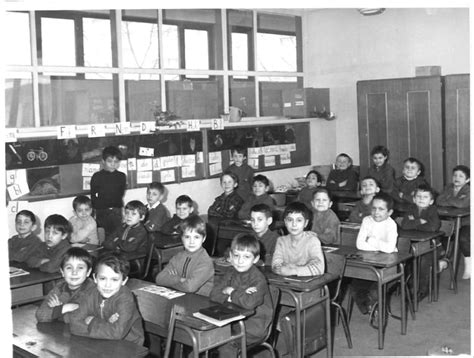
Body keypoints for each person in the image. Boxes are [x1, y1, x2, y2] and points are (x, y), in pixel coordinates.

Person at [210, 234, 273, 356]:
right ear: (230, 256)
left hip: (253, 326)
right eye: (236, 255)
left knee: (225, 345)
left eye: (246, 257)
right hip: (230, 321)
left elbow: (249, 303)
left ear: (255, 259)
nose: (240, 261)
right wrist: (234, 296)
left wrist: (231, 292)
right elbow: (213, 294)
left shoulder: (258, 279)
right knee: (201, 338)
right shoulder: (230, 272)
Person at [65, 253, 144, 345]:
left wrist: (92, 321)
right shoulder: (90, 293)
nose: (107, 285)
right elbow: (74, 323)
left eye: (114, 280)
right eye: (102, 278)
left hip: (129, 346)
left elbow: (117, 333)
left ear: (124, 281)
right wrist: (106, 324)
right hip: (100, 342)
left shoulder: (126, 299)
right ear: (95, 278)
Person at [351, 192, 398, 315]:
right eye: (374, 208)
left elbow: (389, 249)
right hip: (370, 262)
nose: (376, 212)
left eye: (381, 209)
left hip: (388, 265)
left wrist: (370, 240)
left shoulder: (391, 225)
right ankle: (369, 308)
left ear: (389, 212)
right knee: (355, 287)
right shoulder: (367, 220)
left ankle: (376, 309)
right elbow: (359, 244)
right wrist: (379, 248)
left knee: (375, 289)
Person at [400, 184, 441, 299]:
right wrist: (421, 221)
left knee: (423, 261)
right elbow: (404, 225)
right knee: (404, 258)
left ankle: (422, 290)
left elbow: (433, 227)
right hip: (413, 244)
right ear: (414, 199)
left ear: (431, 201)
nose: (421, 199)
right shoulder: (411, 208)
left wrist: (414, 223)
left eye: (425, 197)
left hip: (431, 246)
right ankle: (408, 287)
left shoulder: (432, 210)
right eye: (418, 196)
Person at [155, 216, 214, 296]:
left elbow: (190, 287)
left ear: (203, 238)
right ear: (182, 238)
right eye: (187, 237)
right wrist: (181, 279)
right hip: (179, 298)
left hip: (200, 302)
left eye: (196, 237)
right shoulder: (178, 257)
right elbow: (159, 278)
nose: (191, 242)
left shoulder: (205, 261)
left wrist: (171, 279)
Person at [36, 247, 95, 322]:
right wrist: (64, 308)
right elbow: (40, 315)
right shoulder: (59, 287)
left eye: (80, 268)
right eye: (69, 268)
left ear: (88, 272)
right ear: (62, 272)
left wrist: (56, 311)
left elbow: (77, 317)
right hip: (59, 331)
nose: (74, 272)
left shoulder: (92, 290)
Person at [272, 202, 325, 276]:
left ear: (306, 223)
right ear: (285, 222)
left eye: (299, 220)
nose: (294, 224)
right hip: (287, 283)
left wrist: (293, 271)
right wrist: (278, 268)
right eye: (290, 220)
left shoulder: (312, 241)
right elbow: (276, 263)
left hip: (309, 285)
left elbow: (319, 268)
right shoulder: (281, 241)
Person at [437, 165, 471, 279]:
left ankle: (469, 264)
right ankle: (445, 259)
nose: (457, 178)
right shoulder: (448, 187)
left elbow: (462, 204)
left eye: (461, 176)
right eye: (455, 175)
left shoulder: (469, 190)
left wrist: (448, 199)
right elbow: (438, 200)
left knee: (463, 238)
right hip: (451, 222)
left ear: (467, 180)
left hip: (467, 223)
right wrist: (454, 201)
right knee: (441, 235)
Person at [90, 146, 126, 237]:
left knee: (117, 234)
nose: (113, 164)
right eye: (110, 161)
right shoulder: (97, 176)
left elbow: (121, 192)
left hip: (116, 209)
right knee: (102, 234)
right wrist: (95, 209)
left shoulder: (121, 176)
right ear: (103, 161)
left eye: (116, 161)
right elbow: (93, 195)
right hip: (102, 210)